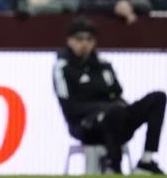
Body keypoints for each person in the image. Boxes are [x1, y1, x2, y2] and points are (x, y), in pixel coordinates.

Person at [53, 17, 165, 174]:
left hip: (116, 120)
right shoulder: (63, 68)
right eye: (79, 39)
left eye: (89, 39)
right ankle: (113, 165)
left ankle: (146, 160)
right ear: (70, 40)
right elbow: (70, 107)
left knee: (157, 98)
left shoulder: (104, 66)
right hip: (85, 125)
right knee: (114, 112)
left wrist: (116, 106)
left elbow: (116, 93)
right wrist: (105, 108)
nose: (84, 44)